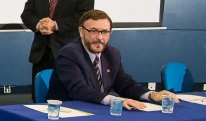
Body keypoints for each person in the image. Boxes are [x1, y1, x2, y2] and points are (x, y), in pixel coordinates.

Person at [47, 9, 177, 109]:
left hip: (98, 110)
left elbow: (125, 84)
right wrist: (115, 101)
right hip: (69, 112)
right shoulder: (69, 54)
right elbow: (79, 90)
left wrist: (151, 95)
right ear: (81, 31)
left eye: (104, 32)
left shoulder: (112, 53)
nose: (99, 37)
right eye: (93, 31)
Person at [21, 0, 95, 100]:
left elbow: (84, 16)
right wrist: (39, 24)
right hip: (41, 54)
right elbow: (27, 14)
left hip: (69, 53)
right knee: (40, 100)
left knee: (69, 99)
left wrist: (55, 25)